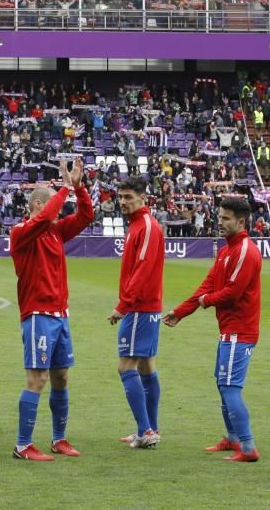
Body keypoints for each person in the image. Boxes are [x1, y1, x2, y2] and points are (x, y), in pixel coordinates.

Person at [162, 198, 262, 462]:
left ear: (241, 222)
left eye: (226, 218)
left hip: (240, 331)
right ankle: (232, 439)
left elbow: (233, 292)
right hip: (229, 329)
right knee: (223, 384)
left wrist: (207, 301)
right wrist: (182, 311)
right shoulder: (226, 250)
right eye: (219, 217)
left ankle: (248, 447)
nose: (220, 221)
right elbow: (208, 284)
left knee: (230, 387)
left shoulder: (244, 251)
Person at [9, 158, 93, 461]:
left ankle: (59, 438)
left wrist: (79, 189)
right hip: (37, 314)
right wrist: (65, 188)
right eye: (52, 208)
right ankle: (22, 445)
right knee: (38, 379)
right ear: (36, 205)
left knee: (61, 377)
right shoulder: (21, 232)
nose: (57, 214)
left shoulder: (55, 232)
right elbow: (45, 219)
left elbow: (86, 216)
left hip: (60, 314)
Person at [109, 175, 164, 449]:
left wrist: (123, 305)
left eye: (129, 197)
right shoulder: (138, 225)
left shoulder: (145, 226)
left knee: (125, 366)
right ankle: (150, 429)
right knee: (146, 365)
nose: (123, 202)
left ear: (143, 198)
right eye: (120, 197)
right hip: (146, 307)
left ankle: (145, 430)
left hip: (140, 308)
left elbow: (142, 268)